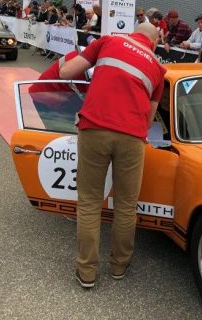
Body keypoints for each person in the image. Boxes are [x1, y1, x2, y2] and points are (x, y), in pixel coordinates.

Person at [59, 22, 166, 288]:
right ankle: (119, 265)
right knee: (126, 206)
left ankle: (86, 272)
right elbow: (149, 118)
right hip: (131, 137)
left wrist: (72, 53)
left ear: (132, 33)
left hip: (95, 128)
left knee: (89, 202)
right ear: (153, 43)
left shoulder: (108, 42)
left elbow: (65, 72)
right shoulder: (158, 68)